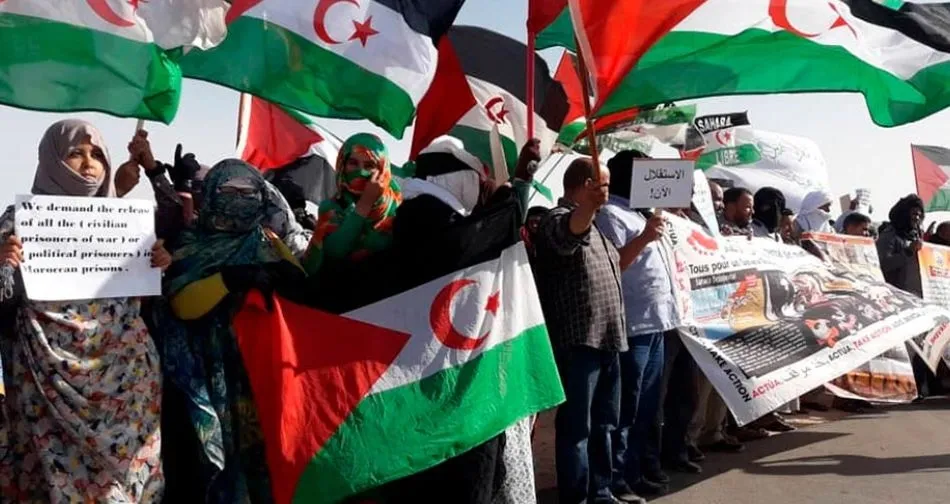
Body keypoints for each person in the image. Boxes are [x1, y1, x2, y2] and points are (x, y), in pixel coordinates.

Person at [0, 119, 171, 502]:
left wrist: (158, 260)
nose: (88, 162)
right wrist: (2, 264)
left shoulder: (125, 222)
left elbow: (146, 282)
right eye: (75, 153)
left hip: (126, 380)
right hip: (51, 382)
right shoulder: (19, 222)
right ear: (52, 161)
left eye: (96, 154)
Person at [154, 159, 306, 503]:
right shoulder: (188, 242)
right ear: (210, 194)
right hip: (204, 374)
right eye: (228, 191)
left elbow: (301, 286)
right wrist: (229, 278)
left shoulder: (267, 240)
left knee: (261, 460)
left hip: (259, 372)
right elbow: (180, 305)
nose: (239, 199)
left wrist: (283, 276)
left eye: (248, 192)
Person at [532, 157, 627, 504]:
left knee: (604, 423)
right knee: (577, 429)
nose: (606, 191)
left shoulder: (598, 226)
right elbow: (569, 236)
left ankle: (600, 492)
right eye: (601, 184)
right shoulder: (556, 220)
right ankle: (576, 497)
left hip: (609, 339)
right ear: (583, 186)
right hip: (579, 341)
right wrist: (586, 207)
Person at [597, 151, 677, 503]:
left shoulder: (642, 214)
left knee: (646, 407)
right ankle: (614, 480)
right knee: (624, 410)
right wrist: (644, 237)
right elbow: (611, 266)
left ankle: (634, 473)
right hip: (632, 327)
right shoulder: (610, 215)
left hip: (657, 325)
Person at [304, 133, 401, 274]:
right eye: (353, 163)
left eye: (369, 166)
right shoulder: (332, 207)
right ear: (343, 165)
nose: (360, 171)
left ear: (382, 170)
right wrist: (364, 205)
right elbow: (334, 251)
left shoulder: (398, 207)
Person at [877, 195, 929, 400]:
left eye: (919, 213)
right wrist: (908, 252)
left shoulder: (918, 235)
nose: (916, 217)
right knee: (904, 348)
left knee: (920, 347)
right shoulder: (890, 236)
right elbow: (883, 264)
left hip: (919, 298)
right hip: (897, 298)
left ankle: (919, 387)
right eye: (912, 213)